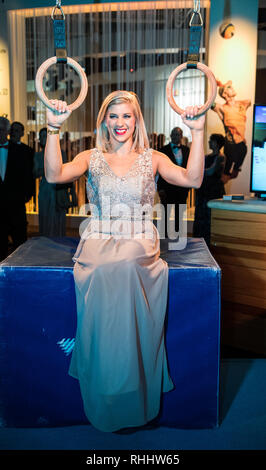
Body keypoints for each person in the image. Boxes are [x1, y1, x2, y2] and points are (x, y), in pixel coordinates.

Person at [44, 90, 205, 433]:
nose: (120, 123)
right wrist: (53, 129)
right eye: (113, 116)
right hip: (99, 237)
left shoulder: (154, 158)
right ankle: (104, 381)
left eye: (126, 116)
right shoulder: (91, 156)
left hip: (139, 238)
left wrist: (198, 132)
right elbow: (54, 175)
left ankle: (135, 385)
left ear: (137, 120)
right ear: (104, 120)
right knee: (103, 266)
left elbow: (192, 180)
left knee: (129, 259)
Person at [33, 128, 77, 237]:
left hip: (59, 189)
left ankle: (59, 244)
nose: (44, 139)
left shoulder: (61, 152)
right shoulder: (37, 155)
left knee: (59, 218)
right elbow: (34, 174)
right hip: (45, 189)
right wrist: (48, 167)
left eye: (46, 136)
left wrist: (72, 193)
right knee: (46, 217)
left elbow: (67, 173)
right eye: (42, 136)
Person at [0, 117, 33, 261]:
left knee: (20, 245)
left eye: (1, 129)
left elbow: (28, 176)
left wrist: (27, 195)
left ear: (7, 131)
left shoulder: (22, 151)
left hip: (16, 205)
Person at [211, 79, 251, 181]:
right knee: (226, 173)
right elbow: (211, 104)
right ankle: (217, 190)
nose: (232, 88)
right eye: (229, 88)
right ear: (224, 93)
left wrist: (226, 86)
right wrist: (217, 86)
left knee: (234, 174)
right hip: (231, 144)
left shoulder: (242, 105)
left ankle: (218, 188)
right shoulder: (222, 108)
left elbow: (249, 101)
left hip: (242, 145)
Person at [193, 133, 225, 246]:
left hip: (213, 192)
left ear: (217, 143)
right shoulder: (206, 156)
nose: (209, 142)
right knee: (200, 218)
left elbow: (210, 171)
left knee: (209, 219)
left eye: (211, 140)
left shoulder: (221, 157)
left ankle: (209, 245)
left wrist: (200, 171)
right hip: (203, 191)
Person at [157, 127, 190, 236]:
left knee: (180, 213)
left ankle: (179, 236)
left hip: (182, 188)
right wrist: (160, 189)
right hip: (167, 188)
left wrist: (188, 186)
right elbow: (159, 172)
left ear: (181, 136)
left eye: (178, 135)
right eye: (174, 134)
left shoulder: (187, 150)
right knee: (165, 213)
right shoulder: (162, 150)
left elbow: (189, 169)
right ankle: (164, 238)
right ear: (170, 136)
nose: (176, 137)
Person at [10, 121, 35, 202]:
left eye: (16, 131)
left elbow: (30, 173)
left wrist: (29, 193)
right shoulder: (3, 148)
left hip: (21, 193)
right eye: (12, 130)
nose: (13, 133)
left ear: (22, 133)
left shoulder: (28, 151)